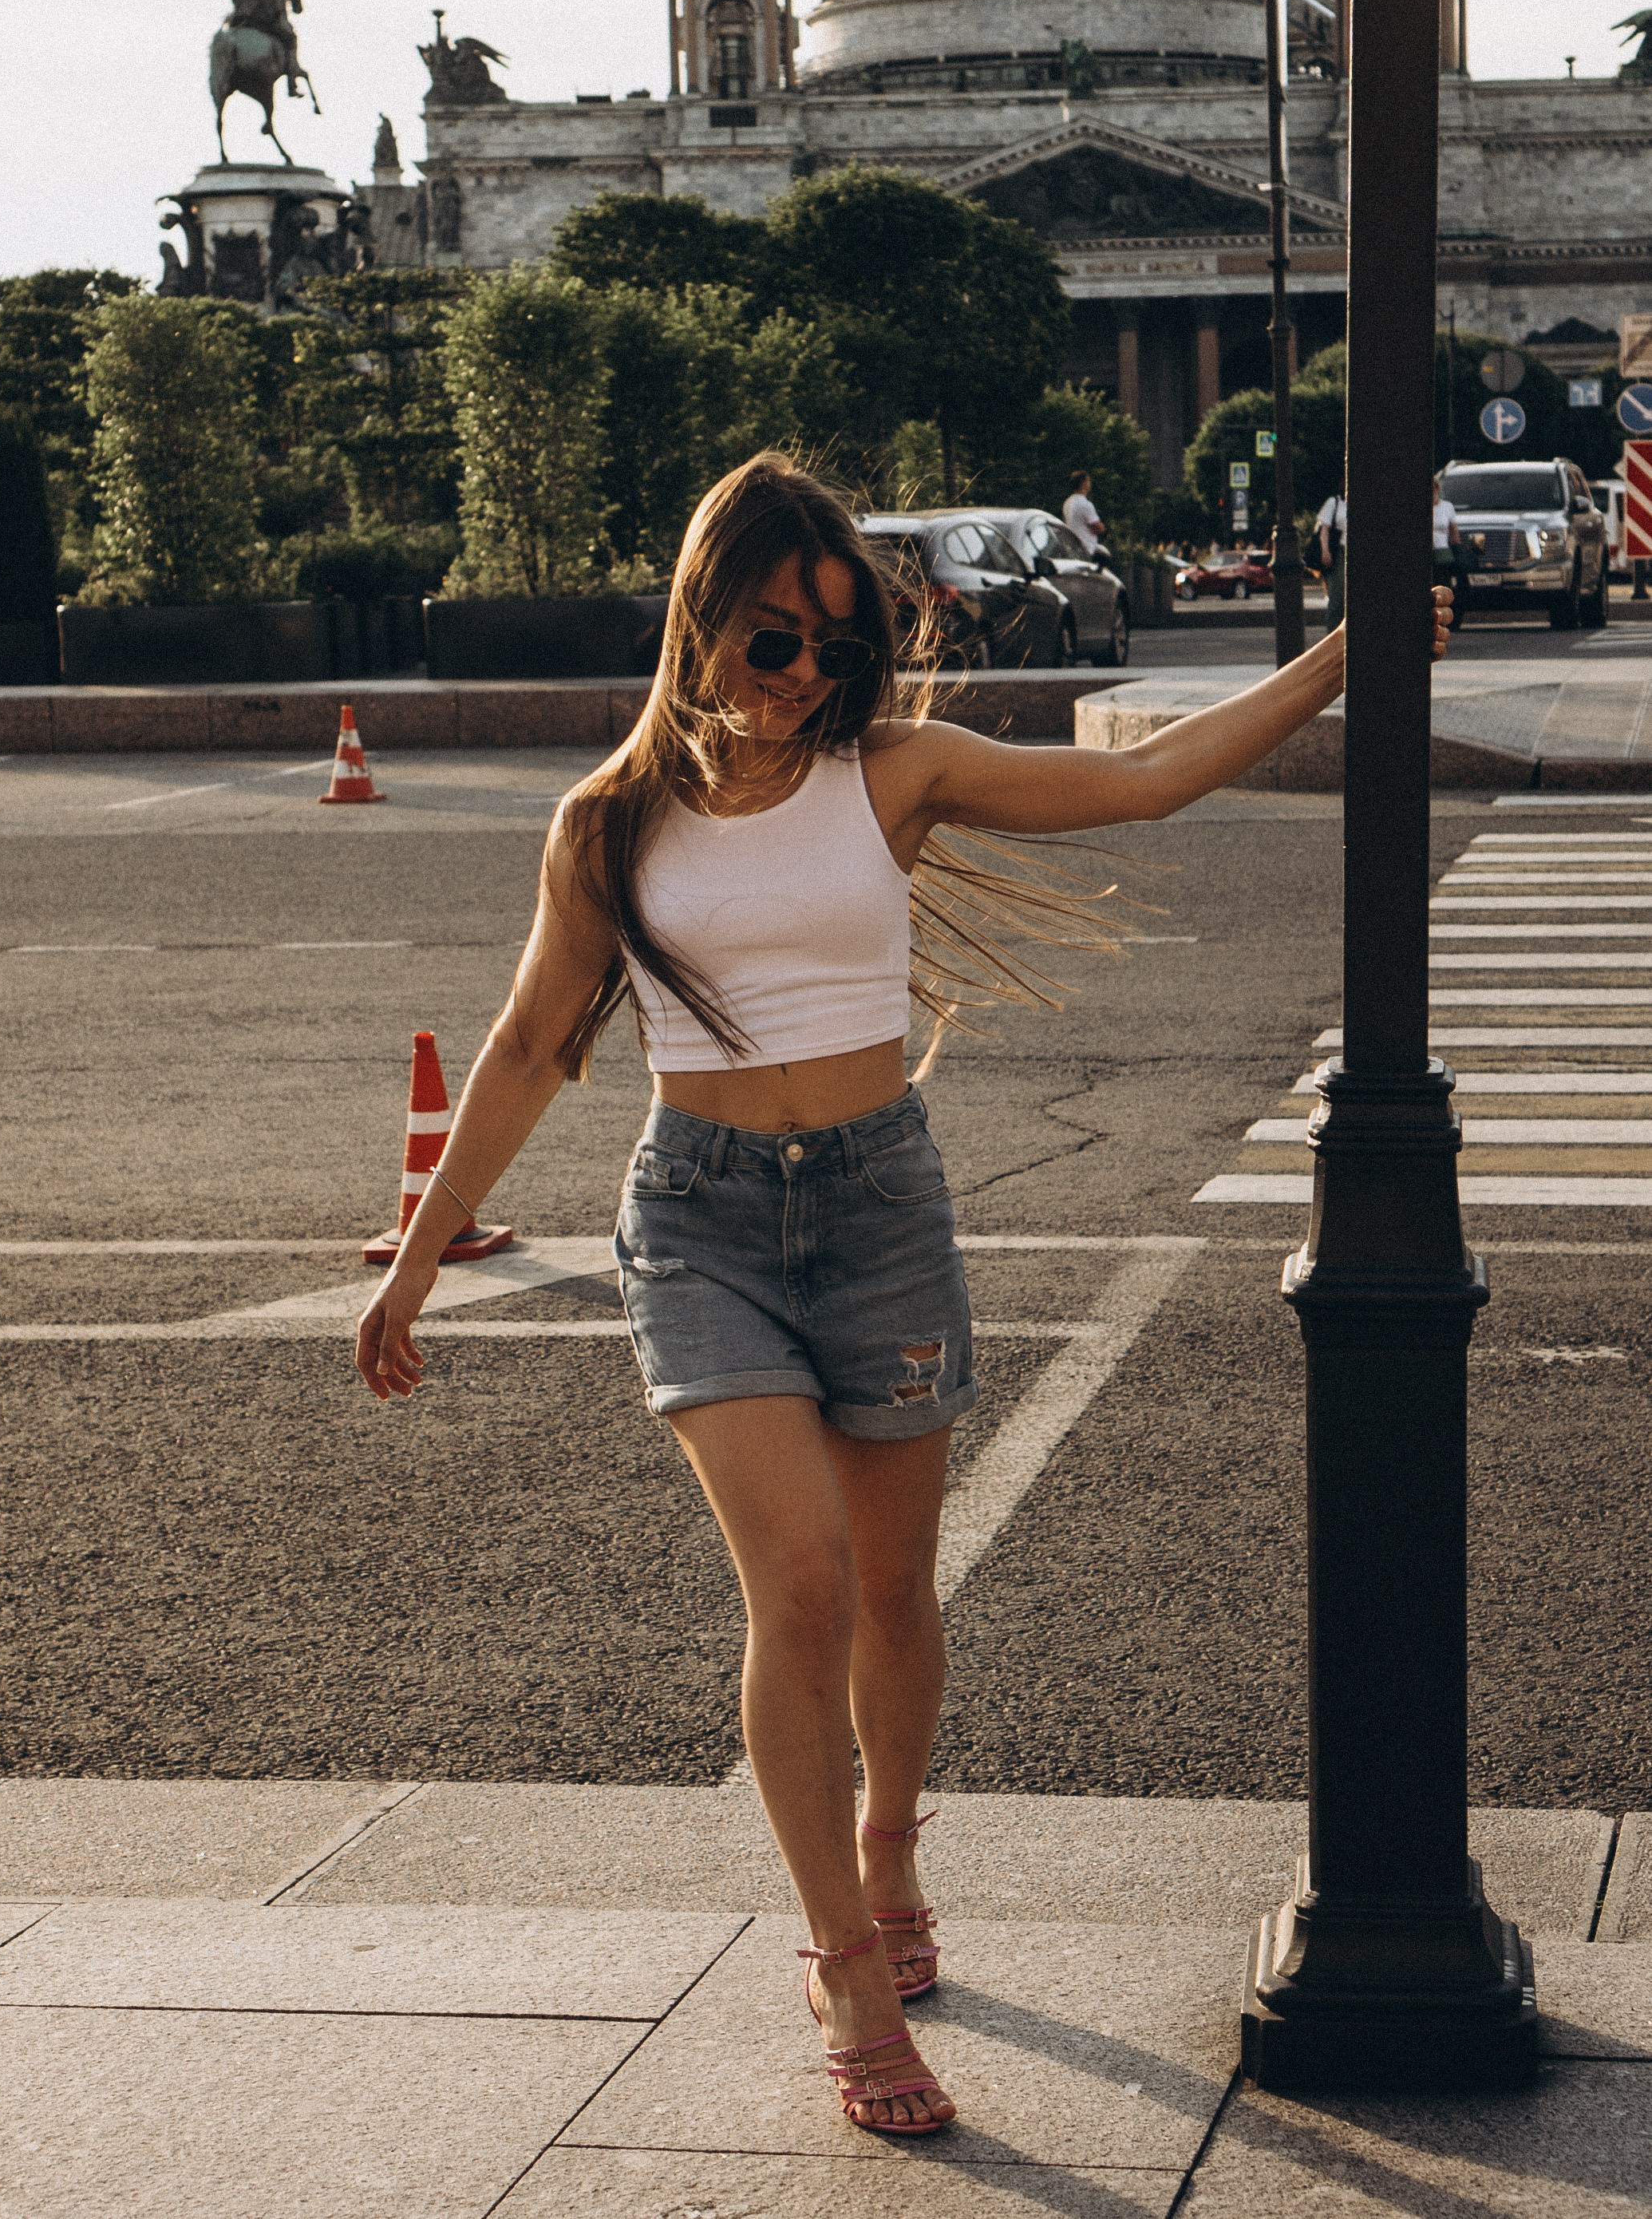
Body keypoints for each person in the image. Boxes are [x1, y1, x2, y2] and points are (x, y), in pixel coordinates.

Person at [355, 453, 1451, 2139]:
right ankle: (841, 1964)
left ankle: (886, 1846)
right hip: (701, 1223)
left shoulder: (892, 777)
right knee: (794, 1588)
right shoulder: (605, 826)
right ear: (700, 620)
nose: (804, 678)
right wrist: (419, 1264)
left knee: (888, 1590)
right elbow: (520, 1051)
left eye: (836, 650)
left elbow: (1147, 783)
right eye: (773, 642)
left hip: (878, 1212)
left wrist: (1336, 669)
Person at [1314, 485, 1348, 626]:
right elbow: (1324, 529)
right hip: (1339, 553)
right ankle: (1333, 631)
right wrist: (1325, 551)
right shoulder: (1334, 503)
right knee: (1337, 597)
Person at [1433, 474, 1464, 621]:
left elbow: (1453, 532)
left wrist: (1458, 550)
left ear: (1437, 489)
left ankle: (1448, 617)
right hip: (1429, 554)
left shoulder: (1447, 507)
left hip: (1442, 553)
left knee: (1444, 585)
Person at [1061, 473, 1105, 554]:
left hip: (1072, 547)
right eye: (1088, 481)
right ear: (1083, 483)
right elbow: (1099, 528)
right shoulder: (1085, 504)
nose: (1090, 483)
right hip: (1086, 549)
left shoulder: (1067, 502)